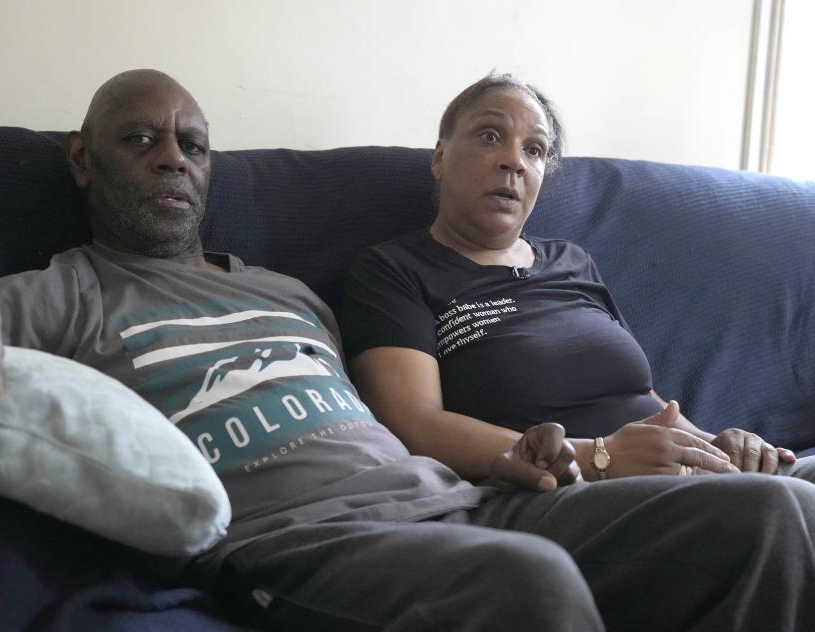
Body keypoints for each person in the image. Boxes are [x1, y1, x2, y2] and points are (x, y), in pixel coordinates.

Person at [0, 68, 815, 632]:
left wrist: (524, 459)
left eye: (190, 142)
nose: (169, 157)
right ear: (83, 158)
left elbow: (399, 430)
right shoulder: (65, 289)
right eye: (138, 138)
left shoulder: (290, 291)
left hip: (469, 502)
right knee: (529, 589)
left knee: (768, 515)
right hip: (303, 542)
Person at [340, 72, 815, 486]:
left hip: (670, 473)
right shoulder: (393, 271)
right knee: (783, 506)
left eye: (535, 150)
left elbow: (643, 400)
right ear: (440, 157)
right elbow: (412, 422)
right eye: (489, 136)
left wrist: (717, 445)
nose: (514, 161)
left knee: (799, 482)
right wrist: (601, 456)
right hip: (557, 488)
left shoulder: (572, 260)